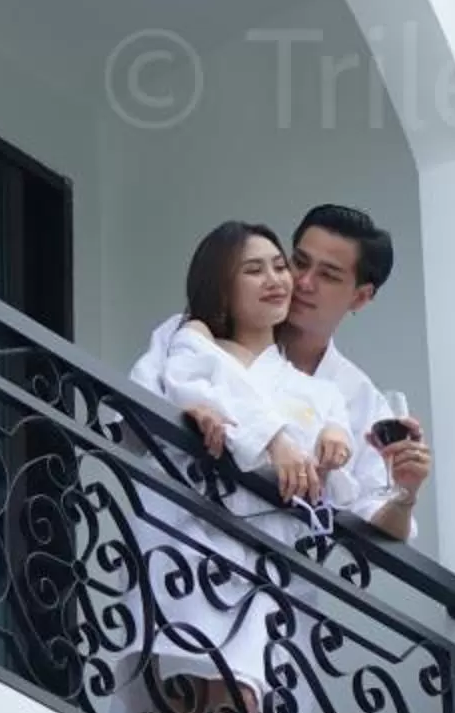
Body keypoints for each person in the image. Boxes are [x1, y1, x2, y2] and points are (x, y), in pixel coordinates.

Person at [114, 220, 371, 713]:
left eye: (280, 266)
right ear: (220, 285)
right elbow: (169, 391)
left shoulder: (318, 390)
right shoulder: (191, 340)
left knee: (241, 698)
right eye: (253, 269)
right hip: (188, 544)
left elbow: (337, 478)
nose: (277, 279)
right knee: (179, 696)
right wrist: (239, 428)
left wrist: (334, 450)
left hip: (261, 566)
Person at [179, 202, 433, 543]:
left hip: (276, 578)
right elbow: (132, 422)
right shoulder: (201, 334)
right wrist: (192, 407)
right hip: (176, 553)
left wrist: (406, 493)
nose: (304, 282)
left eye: (328, 275)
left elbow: (377, 523)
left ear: (360, 297)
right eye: (298, 262)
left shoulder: (357, 399)